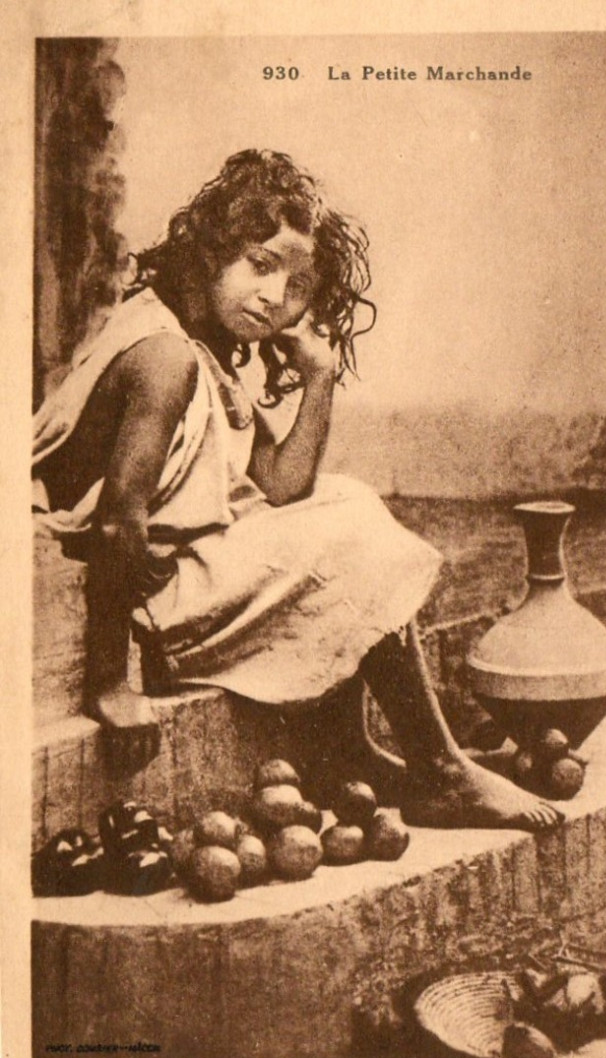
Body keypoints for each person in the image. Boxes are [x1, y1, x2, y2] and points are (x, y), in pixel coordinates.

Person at [32, 149, 561, 831]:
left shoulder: (204, 347)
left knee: (340, 502)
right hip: (154, 603)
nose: (275, 296)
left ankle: (359, 751)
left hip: (183, 575)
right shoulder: (162, 355)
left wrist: (318, 377)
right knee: (350, 535)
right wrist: (111, 684)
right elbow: (117, 524)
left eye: (298, 283)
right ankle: (444, 771)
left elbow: (281, 487)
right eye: (260, 263)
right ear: (211, 249)